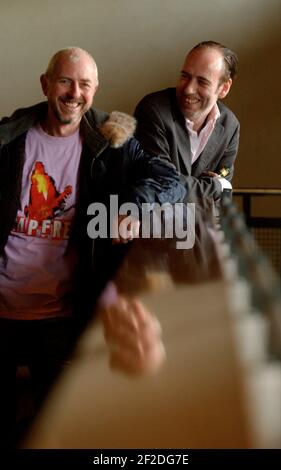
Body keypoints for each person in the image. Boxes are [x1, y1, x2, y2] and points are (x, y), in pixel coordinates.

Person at [0, 47, 184, 448]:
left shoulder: (111, 143)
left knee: (58, 428)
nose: (74, 92)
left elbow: (172, 181)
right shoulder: (8, 139)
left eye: (84, 84)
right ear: (46, 84)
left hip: (62, 315)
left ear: (95, 90)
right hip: (2, 307)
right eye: (65, 81)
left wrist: (134, 207)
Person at [134, 40, 239, 202]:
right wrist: (216, 187)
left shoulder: (230, 126)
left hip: (200, 225)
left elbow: (223, 180)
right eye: (185, 76)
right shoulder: (153, 110)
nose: (189, 89)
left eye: (202, 82)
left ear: (224, 88)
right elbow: (161, 184)